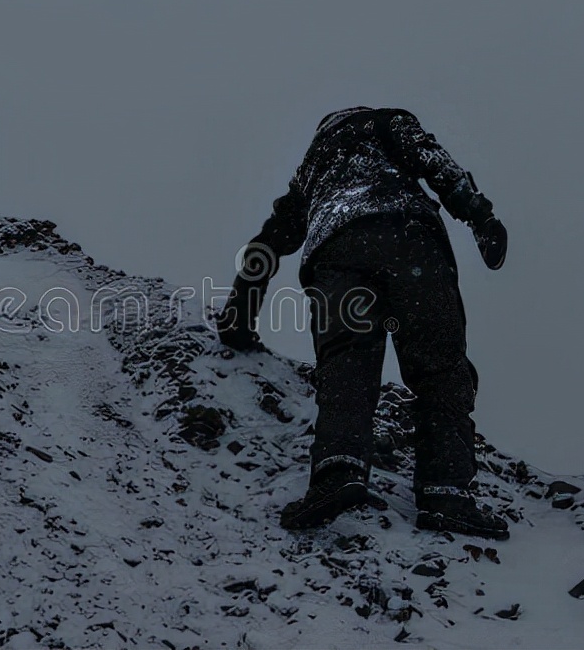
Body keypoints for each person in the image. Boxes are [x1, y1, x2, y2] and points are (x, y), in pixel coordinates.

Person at [215, 106, 510, 539]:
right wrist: (481, 217)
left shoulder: (311, 172)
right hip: (407, 238)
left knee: (346, 364)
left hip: (335, 255)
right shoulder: (384, 122)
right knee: (439, 365)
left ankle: (338, 474)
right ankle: (445, 493)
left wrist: (238, 315)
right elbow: (432, 159)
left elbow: (266, 246)